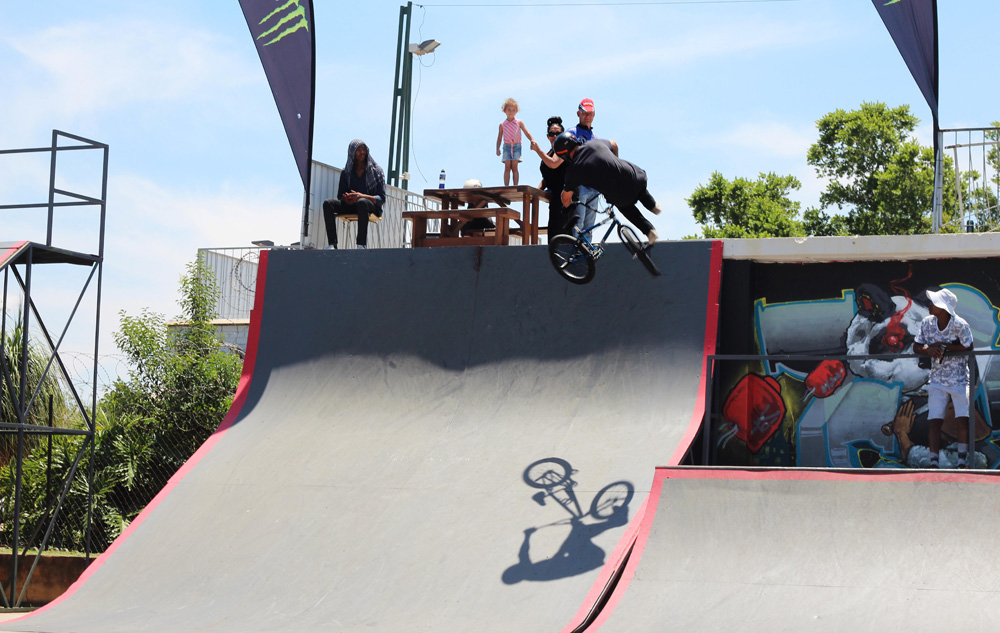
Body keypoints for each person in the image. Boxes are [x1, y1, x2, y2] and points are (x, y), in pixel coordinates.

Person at [553, 131, 661, 245]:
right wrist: (614, 163)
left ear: (563, 154)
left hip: (620, 195)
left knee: (625, 206)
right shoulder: (594, 143)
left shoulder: (573, 170)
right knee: (637, 186)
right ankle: (652, 205)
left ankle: (649, 230)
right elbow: (614, 144)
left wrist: (568, 210)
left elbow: (566, 198)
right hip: (635, 177)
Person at [913, 288, 974, 468]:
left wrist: (945, 347)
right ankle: (934, 462)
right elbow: (917, 346)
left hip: (960, 379)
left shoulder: (960, 324)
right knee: (934, 420)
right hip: (937, 380)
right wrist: (929, 350)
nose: (930, 305)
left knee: (962, 419)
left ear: (943, 308)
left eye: (934, 302)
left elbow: (968, 347)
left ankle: (961, 462)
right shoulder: (927, 323)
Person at [322, 139, 386, 249]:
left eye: (364, 149)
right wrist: (347, 199)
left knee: (362, 202)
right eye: (359, 150)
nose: (362, 152)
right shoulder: (346, 172)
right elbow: (340, 195)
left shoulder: (376, 171)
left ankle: (361, 245)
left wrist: (361, 196)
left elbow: (381, 199)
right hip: (351, 206)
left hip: (370, 206)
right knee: (328, 203)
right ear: (352, 153)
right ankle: (332, 244)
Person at [529, 116, 570, 236]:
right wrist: (536, 192)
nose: (555, 136)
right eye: (552, 134)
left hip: (566, 198)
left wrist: (537, 150)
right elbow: (547, 177)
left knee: (564, 235)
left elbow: (553, 164)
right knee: (553, 234)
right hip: (555, 200)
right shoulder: (549, 153)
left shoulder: (564, 150)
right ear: (548, 136)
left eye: (558, 133)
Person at [495, 98, 535, 186]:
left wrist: (532, 140)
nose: (511, 112)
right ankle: (506, 186)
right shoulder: (502, 124)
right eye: (509, 110)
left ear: (516, 111)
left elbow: (526, 132)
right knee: (507, 167)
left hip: (516, 146)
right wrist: (497, 148)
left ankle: (515, 185)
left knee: (514, 167)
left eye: (513, 110)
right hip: (507, 147)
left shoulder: (519, 122)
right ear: (504, 111)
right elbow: (499, 138)